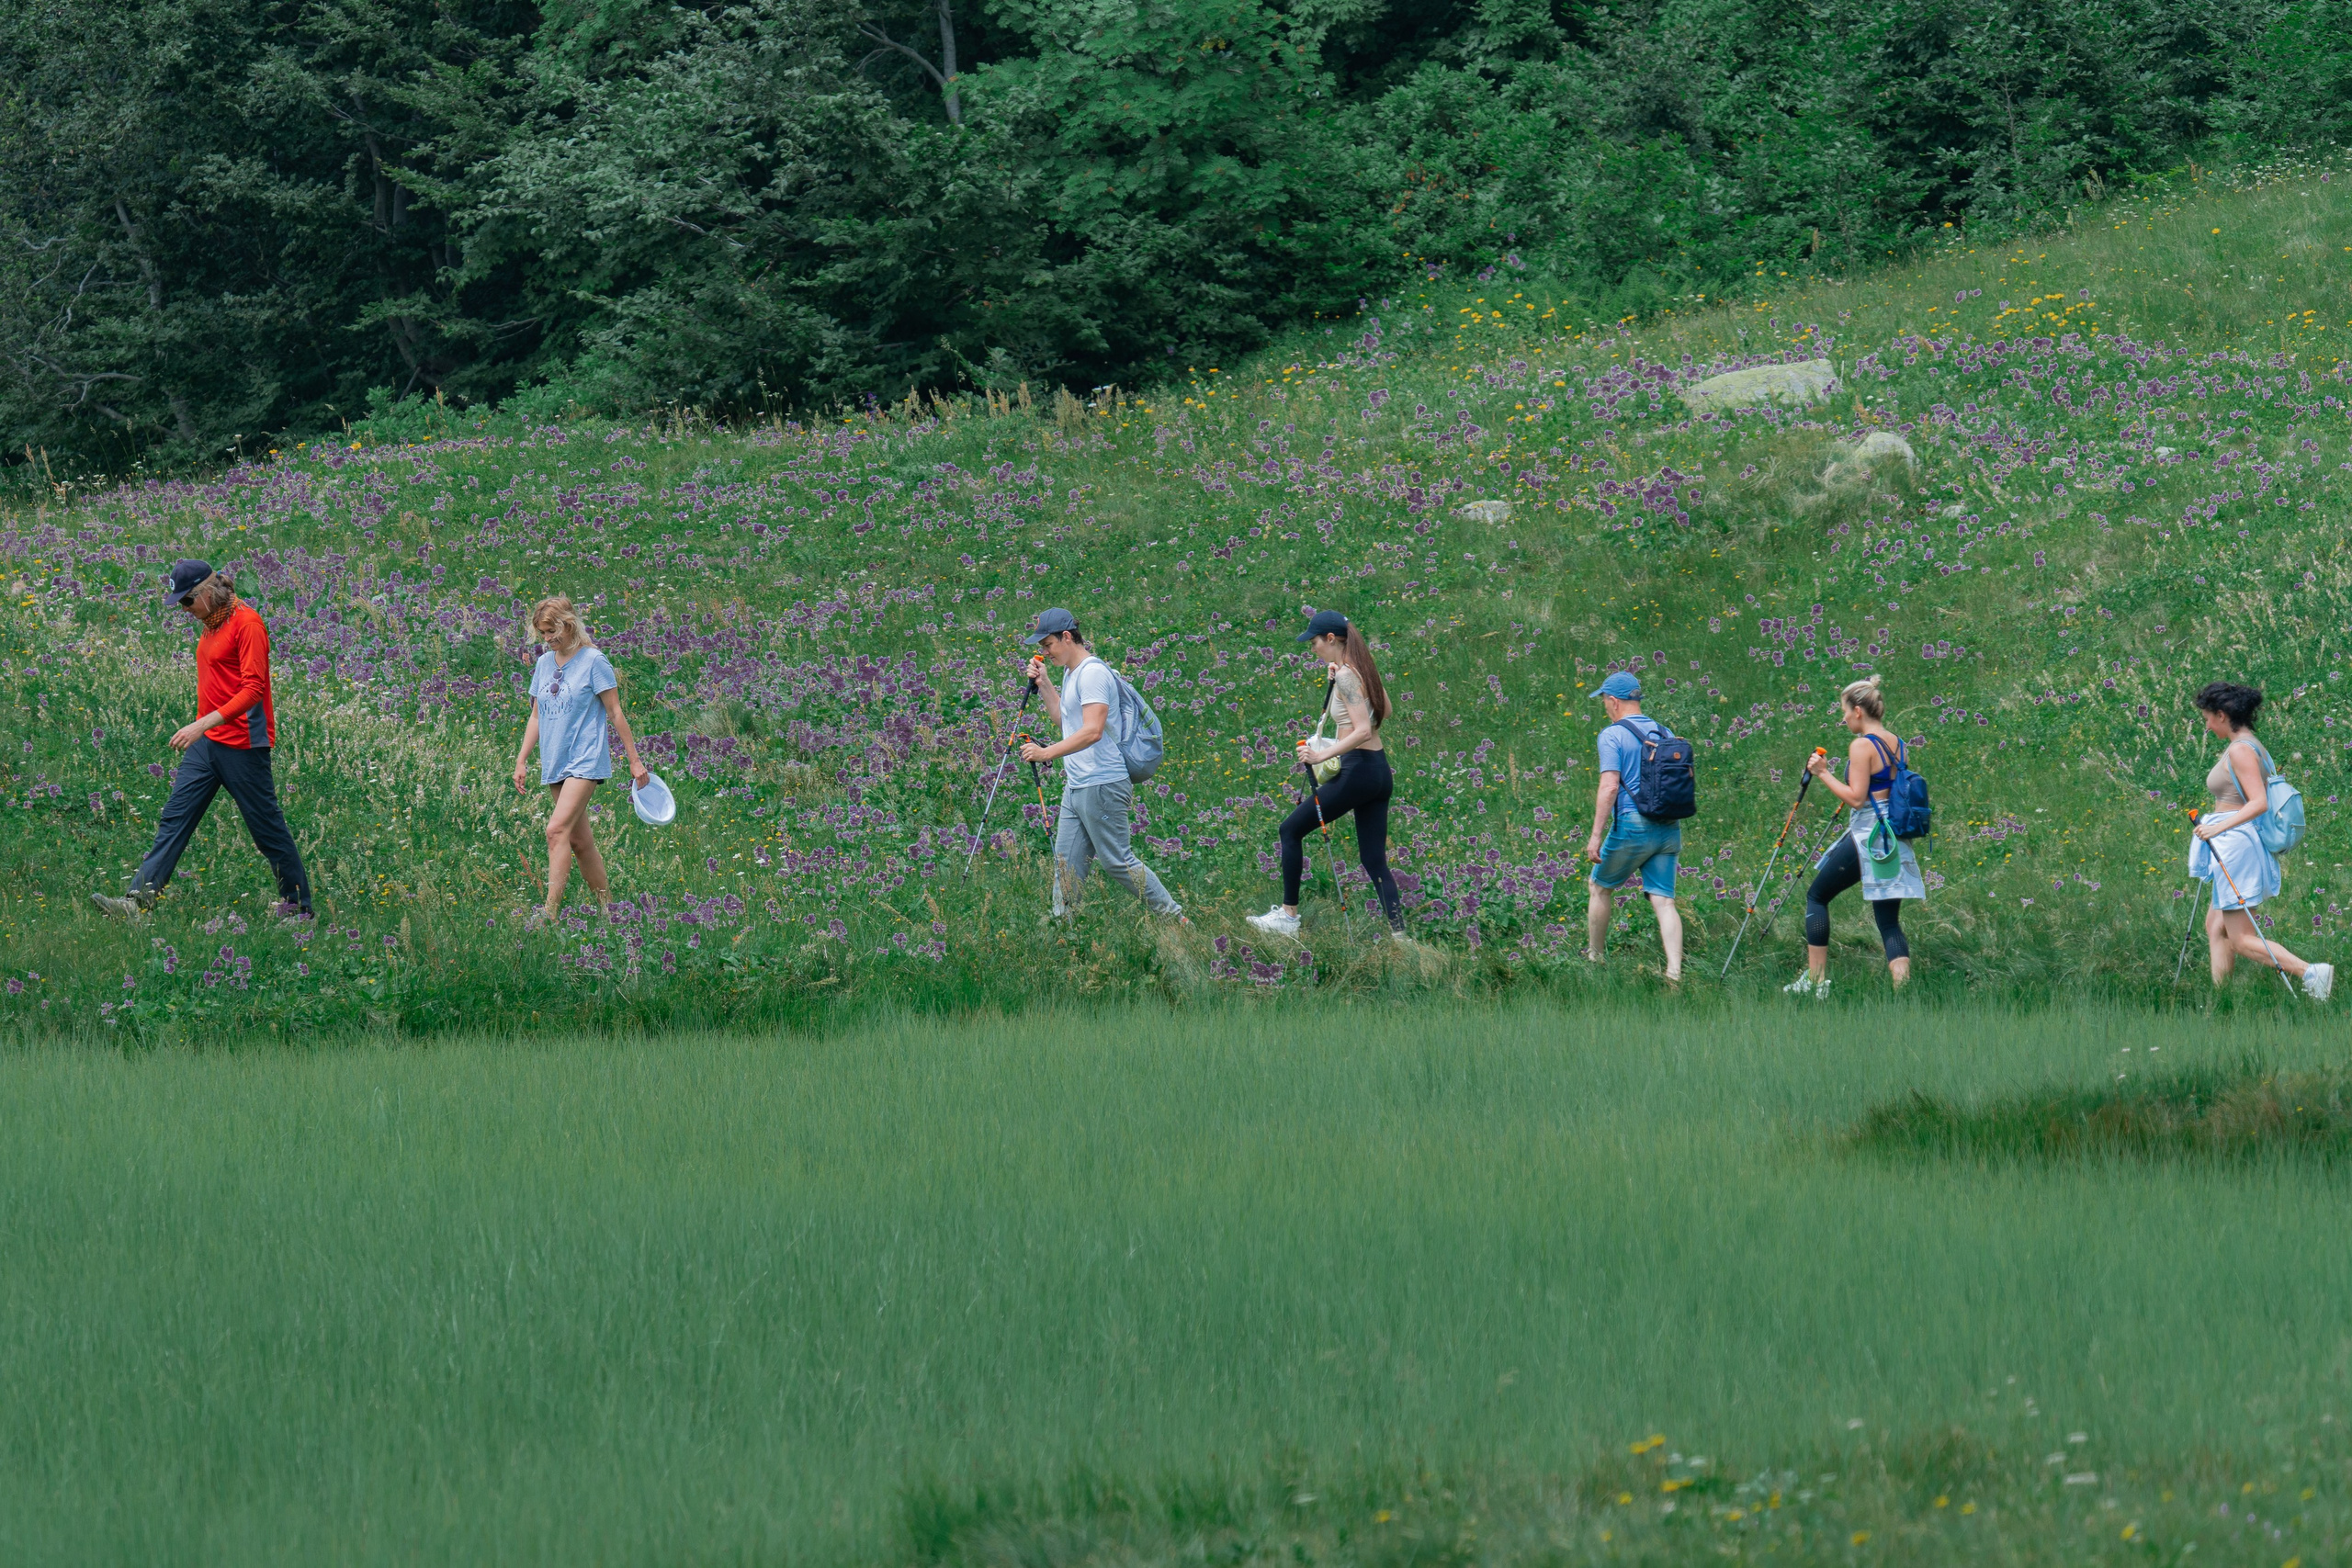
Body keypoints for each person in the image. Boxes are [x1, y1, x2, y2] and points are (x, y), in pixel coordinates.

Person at [94, 560, 314, 923]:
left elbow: (254, 689)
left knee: (267, 830)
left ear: (208, 591)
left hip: (243, 744)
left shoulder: (248, 624)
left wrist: (202, 724)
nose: (185, 610)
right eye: (179, 602)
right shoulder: (212, 622)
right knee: (175, 819)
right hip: (207, 743)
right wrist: (204, 728)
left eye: (187, 601)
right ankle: (137, 902)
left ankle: (299, 910)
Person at [1248, 609, 1407, 940]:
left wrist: (1321, 755)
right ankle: (1400, 937)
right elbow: (1386, 711)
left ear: (1331, 639)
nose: (1313, 648)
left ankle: (1288, 918)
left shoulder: (1348, 675)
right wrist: (1341, 682)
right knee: (1374, 860)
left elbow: (1362, 730)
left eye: (1315, 641)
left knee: (1289, 829)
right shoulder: (1360, 669)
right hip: (1379, 772)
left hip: (1357, 771)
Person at [1017, 607, 1183, 920]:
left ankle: (1176, 919)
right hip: (1077, 785)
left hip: (1103, 782)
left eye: (1048, 644)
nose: (1045, 652)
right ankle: (1064, 930)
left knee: (1117, 862)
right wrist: (1045, 684)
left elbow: (1092, 731)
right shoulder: (1072, 672)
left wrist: (1046, 753)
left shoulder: (1093, 673)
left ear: (1067, 637)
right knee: (1066, 864)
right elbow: (1068, 723)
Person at [512, 595, 650, 930]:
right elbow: (536, 716)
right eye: (543, 633)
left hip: (585, 760)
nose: (547, 638)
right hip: (555, 761)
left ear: (569, 624)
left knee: (555, 830)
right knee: (579, 842)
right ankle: (609, 911)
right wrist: (522, 760)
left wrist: (634, 761)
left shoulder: (593, 661)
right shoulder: (544, 664)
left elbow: (615, 712)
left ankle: (549, 915)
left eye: (552, 631)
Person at [2189, 682, 2332, 998]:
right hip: (2235, 843)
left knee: (2240, 939)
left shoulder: (2241, 749)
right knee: (2216, 926)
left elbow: (2258, 803)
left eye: (2208, 719)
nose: (2207, 726)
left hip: (2236, 846)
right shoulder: (2250, 744)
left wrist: (2217, 828)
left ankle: (2312, 972)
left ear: (2222, 715)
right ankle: (2222, 1001)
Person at [1784, 677, 1920, 998]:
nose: (1843, 717)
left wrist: (1822, 772)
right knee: (1888, 921)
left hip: (1868, 835)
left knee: (1817, 896)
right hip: (1895, 837)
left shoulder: (1861, 746)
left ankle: (1816, 982)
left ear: (1858, 710)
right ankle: (1903, 993)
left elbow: (1857, 799)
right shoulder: (1898, 743)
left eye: (1844, 711)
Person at [1583, 671, 1685, 980]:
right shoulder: (1664, 732)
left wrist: (1595, 836)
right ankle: (1674, 972)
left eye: (1604, 700)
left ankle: (1595, 958)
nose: (1604, 705)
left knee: (1599, 887)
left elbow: (1610, 787)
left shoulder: (1612, 735)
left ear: (1614, 701)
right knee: (1664, 900)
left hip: (1633, 825)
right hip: (1668, 827)